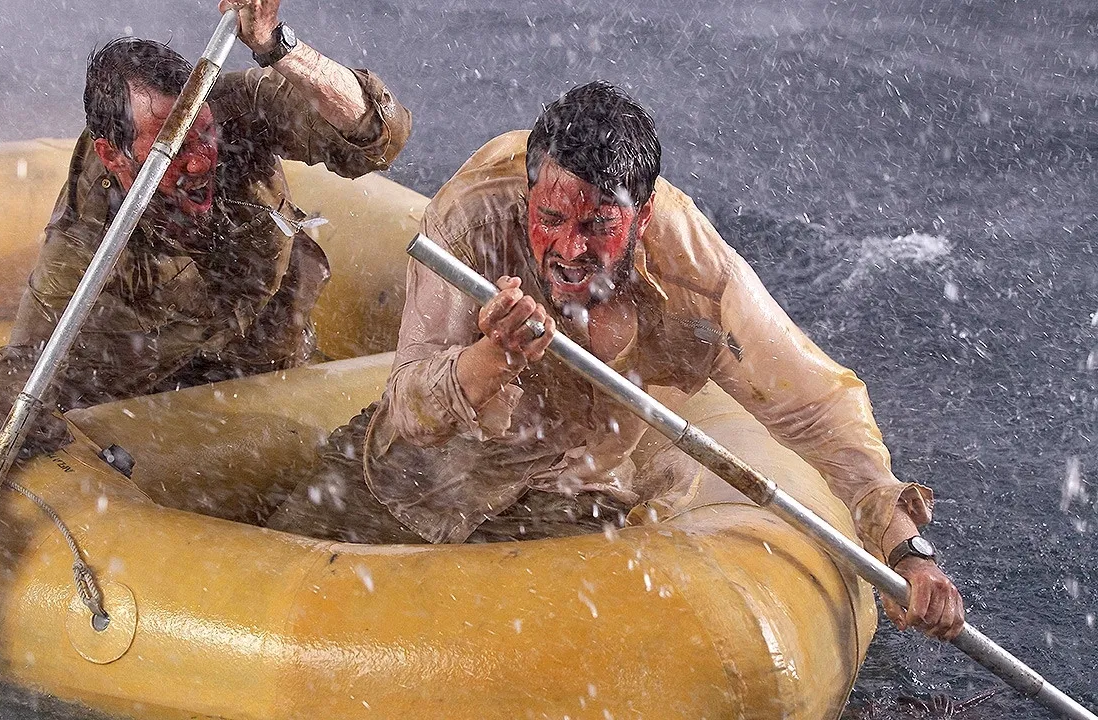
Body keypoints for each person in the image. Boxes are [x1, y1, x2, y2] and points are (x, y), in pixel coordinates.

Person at [266, 81, 965, 640]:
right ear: (529, 198)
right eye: (551, 220)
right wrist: (492, 357)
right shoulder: (471, 223)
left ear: (644, 218)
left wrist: (905, 550)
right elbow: (411, 410)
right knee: (279, 571)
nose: (570, 250)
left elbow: (814, 405)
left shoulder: (696, 273)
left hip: (580, 498)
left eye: (599, 227)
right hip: (417, 477)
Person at [0, 0, 411, 567]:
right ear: (113, 156)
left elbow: (376, 134)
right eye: (173, 148)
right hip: (146, 365)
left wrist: (278, 45)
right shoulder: (88, 230)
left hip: (260, 335)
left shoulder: (234, 111)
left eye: (203, 134)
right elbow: (23, 370)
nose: (201, 161)